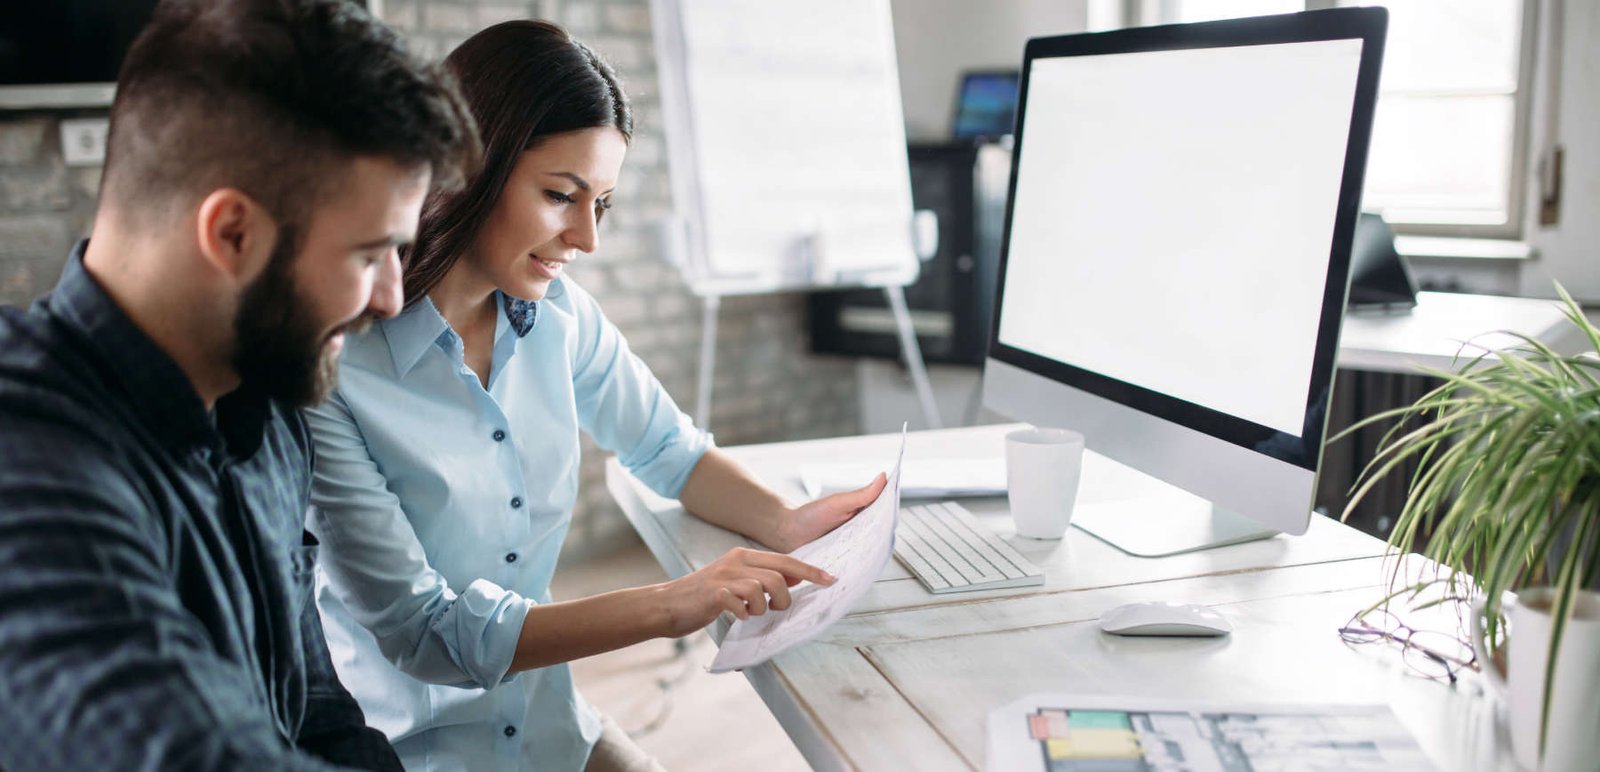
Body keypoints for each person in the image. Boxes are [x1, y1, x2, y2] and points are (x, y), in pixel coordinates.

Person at [304, 20, 887, 771]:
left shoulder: (560, 318)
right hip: (412, 752)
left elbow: (669, 451)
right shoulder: (335, 372)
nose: (586, 237)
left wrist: (786, 517)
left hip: (547, 724)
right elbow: (426, 632)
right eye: (559, 196)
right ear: (462, 167)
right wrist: (675, 602)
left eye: (601, 204)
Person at [0, 0, 479, 769]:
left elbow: (312, 710)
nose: (392, 297)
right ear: (231, 233)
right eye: (370, 254)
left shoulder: (268, 399)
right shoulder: (26, 460)